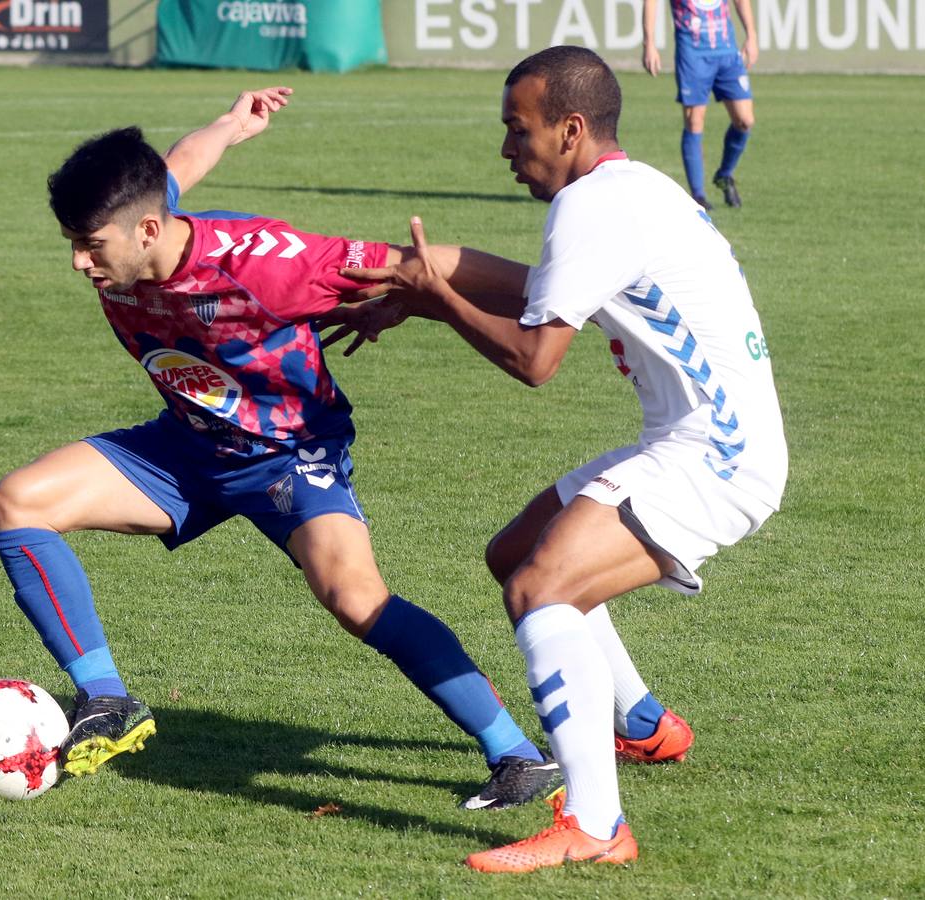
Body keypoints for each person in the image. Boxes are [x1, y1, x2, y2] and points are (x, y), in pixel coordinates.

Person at [0, 87, 565, 810]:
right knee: (16, 503)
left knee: (355, 599)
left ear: (147, 230)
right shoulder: (139, 219)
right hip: (188, 448)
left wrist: (565, 295)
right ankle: (107, 699)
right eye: (73, 242)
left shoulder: (267, 265)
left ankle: (515, 754)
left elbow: (422, 262)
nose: (78, 263)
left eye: (89, 246)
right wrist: (230, 124)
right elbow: (178, 165)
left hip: (289, 456)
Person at [327, 45, 787, 872]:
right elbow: (543, 282)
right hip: (706, 441)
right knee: (513, 552)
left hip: (715, 456)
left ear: (569, 129)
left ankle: (596, 824)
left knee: (541, 590)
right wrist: (418, 282)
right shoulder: (629, 188)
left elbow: (533, 360)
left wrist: (437, 298)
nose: (507, 149)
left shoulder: (591, 209)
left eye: (518, 129)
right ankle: (640, 723)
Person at [643, 0, 758, 209]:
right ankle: (698, 195)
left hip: (726, 52)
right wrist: (649, 42)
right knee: (694, 120)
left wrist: (751, 35)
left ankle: (724, 174)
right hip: (692, 53)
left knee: (745, 120)